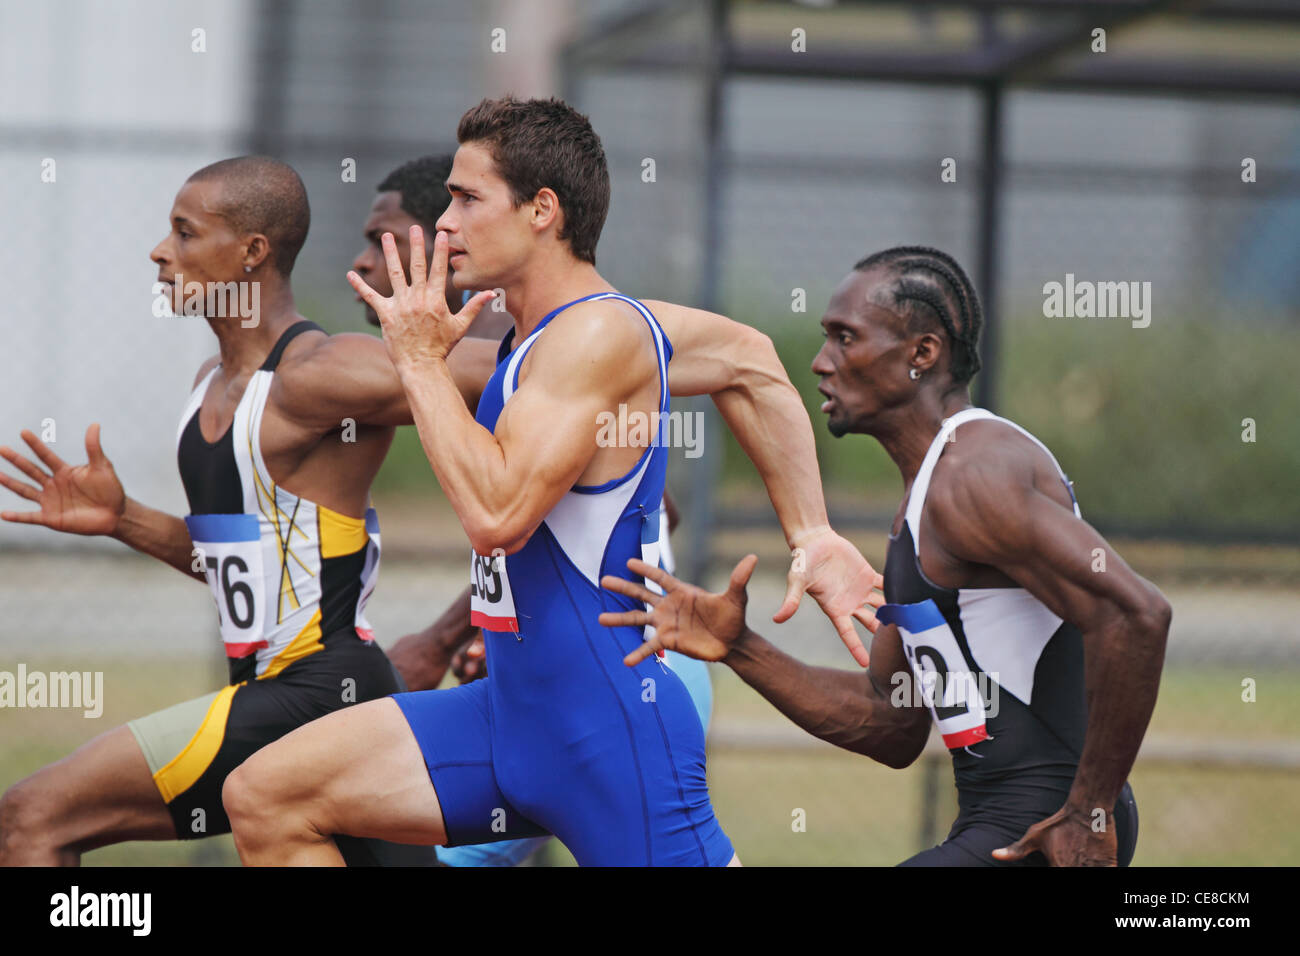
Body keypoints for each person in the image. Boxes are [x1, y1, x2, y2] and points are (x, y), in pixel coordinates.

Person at [222, 97, 879, 866]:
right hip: (509, 719)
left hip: (608, 739)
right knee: (266, 796)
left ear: (542, 210)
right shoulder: (549, 334)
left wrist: (421, 361)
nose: (444, 223)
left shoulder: (598, 335)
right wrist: (812, 531)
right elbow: (749, 359)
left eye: (468, 200)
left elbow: (497, 515)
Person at [601, 246, 1171, 867]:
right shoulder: (924, 496)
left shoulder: (975, 473)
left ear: (922, 355)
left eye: (846, 338)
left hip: (1045, 829)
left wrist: (1090, 811)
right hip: (1001, 822)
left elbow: (1137, 614)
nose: (821, 363)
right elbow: (890, 720)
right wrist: (741, 648)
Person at [0, 156, 499, 865]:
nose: (160, 252)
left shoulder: (319, 375)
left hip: (319, 692)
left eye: (184, 232)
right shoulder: (212, 383)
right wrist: (122, 518)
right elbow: (249, 570)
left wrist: (606, 345)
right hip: (280, 697)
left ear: (252, 252)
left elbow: (522, 370)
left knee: (31, 819)